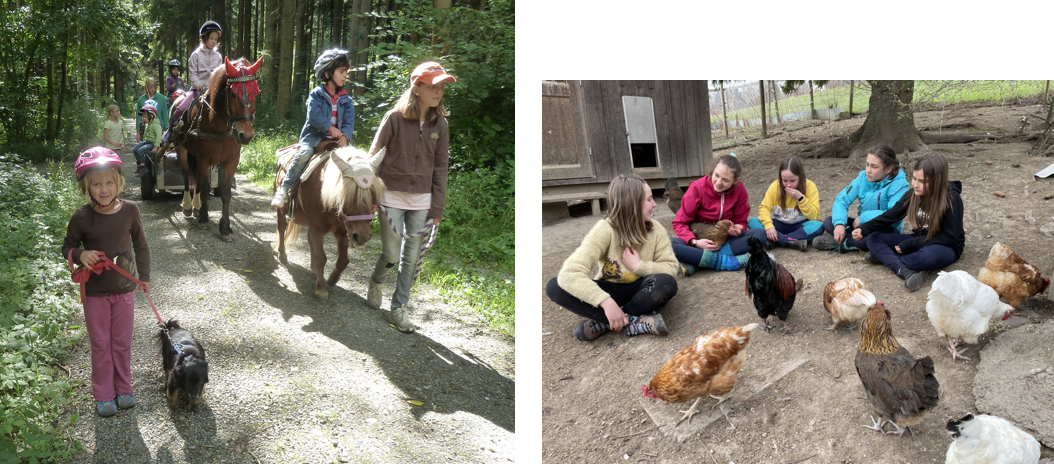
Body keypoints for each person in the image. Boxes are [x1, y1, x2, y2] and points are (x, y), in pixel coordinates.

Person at [363, 60, 456, 333]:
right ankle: (377, 280)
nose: (438, 92)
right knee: (391, 254)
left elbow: (441, 168)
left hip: (422, 202)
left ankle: (398, 308)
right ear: (416, 88)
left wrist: (437, 207)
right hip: (390, 197)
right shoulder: (394, 118)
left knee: (411, 259)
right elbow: (374, 159)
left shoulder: (442, 125)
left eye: (441, 87)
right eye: (432, 87)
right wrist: (370, 194)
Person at [61, 147, 151, 417]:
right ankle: (103, 394)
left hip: (125, 289)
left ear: (119, 183)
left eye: (109, 182)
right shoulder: (81, 217)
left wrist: (144, 277)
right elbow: (67, 246)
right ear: (86, 186)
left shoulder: (131, 210)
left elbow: (142, 247)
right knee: (100, 343)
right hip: (96, 293)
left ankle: (124, 388)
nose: (103, 189)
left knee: (122, 342)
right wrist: (79, 254)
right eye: (96, 184)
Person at [546, 174, 679, 341]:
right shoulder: (605, 229)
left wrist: (640, 266)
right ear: (632, 205)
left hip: (642, 288)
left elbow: (672, 267)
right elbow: (569, 273)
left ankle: (609, 321)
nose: (654, 204)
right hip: (611, 290)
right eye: (649, 199)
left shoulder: (656, 229)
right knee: (554, 286)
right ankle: (631, 320)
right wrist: (606, 302)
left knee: (666, 283)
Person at [852, 153, 964, 292]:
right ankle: (903, 269)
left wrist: (911, 244)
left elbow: (949, 238)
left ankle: (888, 258)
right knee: (873, 238)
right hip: (919, 239)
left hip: (944, 246)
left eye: (922, 181)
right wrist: (865, 229)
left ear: (937, 182)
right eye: (914, 178)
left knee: (925, 256)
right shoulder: (913, 195)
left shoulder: (952, 200)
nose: (915, 184)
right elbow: (891, 216)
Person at [270, 48, 354, 208]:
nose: (345, 75)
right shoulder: (316, 94)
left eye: (346, 72)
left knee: (354, 163)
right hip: (314, 139)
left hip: (339, 141)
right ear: (328, 74)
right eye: (341, 71)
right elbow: (314, 116)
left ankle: (350, 201)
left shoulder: (346, 99)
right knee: (303, 155)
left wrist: (345, 136)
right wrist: (330, 127)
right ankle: (285, 189)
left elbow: (349, 122)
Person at [670, 153, 768, 274]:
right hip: (698, 240)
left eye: (726, 180)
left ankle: (698, 261)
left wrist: (738, 228)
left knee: (759, 235)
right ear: (713, 169)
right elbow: (679, 223)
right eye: (716, 175)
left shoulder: (739, 190)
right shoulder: (697, 188)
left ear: (735, 180)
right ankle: (725, 260)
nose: (718, 182)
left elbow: (741, 220)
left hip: (726, 241)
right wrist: (695, 242)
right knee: (669, 244)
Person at [813, 144, 910, 253]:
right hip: (860, 227)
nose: (868, 170)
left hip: (886, 228)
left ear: (888, 169)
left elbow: (893, 215)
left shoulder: (899, 185)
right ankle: (868, 246)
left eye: (874, 166)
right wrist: (840, 224)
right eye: (867, 165)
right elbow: (842, 199)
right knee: (829, 222)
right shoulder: (863, 177)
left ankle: (843, 245)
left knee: (875, 237)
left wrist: (864, 218)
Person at [163, 21, 223, 144]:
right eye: (211, 38)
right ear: (204, 38)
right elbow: (192, 74)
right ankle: (170, 130)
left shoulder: (218, 57)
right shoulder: (195, 55)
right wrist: (197, 84)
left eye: (216, 39)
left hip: (212, 91)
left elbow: (218, 75)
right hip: (198, 90)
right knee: (180, 108)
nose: (214, 41)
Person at [746, 155, 822, 251]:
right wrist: (769, 227)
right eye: (784, 180)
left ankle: (776, 239)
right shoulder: (775, 186)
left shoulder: (810, 186)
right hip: (778, 225)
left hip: (799, 226)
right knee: (753, 222)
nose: (788, 184)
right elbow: (764, 208)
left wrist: (801, 199)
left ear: (801, 177)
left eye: (793, 180)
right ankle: (789, 241)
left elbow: (814, 217)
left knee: (818, 226)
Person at [134, 78, 167, 143]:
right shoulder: (141, 99)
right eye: (151, 87)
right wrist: (138, 132)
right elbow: (138, 117)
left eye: (154, 87)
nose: (153, 89)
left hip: (159, 128)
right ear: (146, 88)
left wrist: (166, 129)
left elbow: (164, 115)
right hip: (145, 131)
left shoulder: (162, 98)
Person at [132, 105, 161, 177]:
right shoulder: (148, 124)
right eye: (143, 117)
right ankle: (140, 164)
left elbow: (158, 136)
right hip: (146, 141)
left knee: (140, 150)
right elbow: (146, 134)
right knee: (135, 149)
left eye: (145, 116)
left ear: (151, 115)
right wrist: (142, 141)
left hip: (152, 143)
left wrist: (155, 146)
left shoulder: (155, 125)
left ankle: (143, 167)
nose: (143, 118)